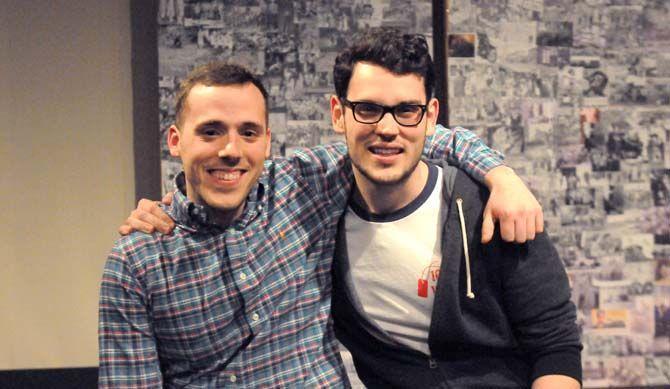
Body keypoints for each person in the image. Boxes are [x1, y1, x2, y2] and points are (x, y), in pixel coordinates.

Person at [109, 33, 544, 387]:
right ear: (175, 141)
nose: (230, 150)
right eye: (209, 132)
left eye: (248, 132)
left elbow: (407, 138)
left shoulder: (301, 185)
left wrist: (501, 175)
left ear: (267, 141)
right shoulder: (138, 261)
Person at [327, 29, 581, 388]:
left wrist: (501, 175)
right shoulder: (320, 222)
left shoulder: (491, 206)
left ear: (430, 117)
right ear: (339, 114)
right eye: (367, 109)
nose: (387, 128)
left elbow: (557, 348)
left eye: (406, 111)